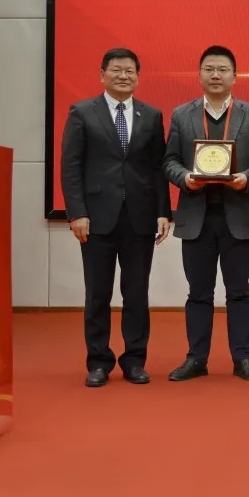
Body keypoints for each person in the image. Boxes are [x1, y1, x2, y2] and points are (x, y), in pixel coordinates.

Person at [162, 45, 249, 382]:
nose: (216, 75)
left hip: (237, 215)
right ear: (199, 75)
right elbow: (169, 160)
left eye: (222, 69)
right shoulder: (182, 115)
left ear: (234, 77)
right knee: (198, 293)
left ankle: (243, 358)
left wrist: (247, 178)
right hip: (196, 217)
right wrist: (184, 178)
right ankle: (196, 358)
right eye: (209, 69)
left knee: (239, 291)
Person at [60, 47, 171, 388]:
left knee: (136, 293)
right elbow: (71, 166)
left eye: (130, 71)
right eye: (116, 70)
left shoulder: (150, 115)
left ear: (137, 76)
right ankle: (98, 362)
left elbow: (157, 168)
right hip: (96, 219)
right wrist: (77, 212)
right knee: (98, 293)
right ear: (102, 75)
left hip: (139, 217)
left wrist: (163, 212)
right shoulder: (82, 112)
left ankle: (135, 361)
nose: (123, 76)